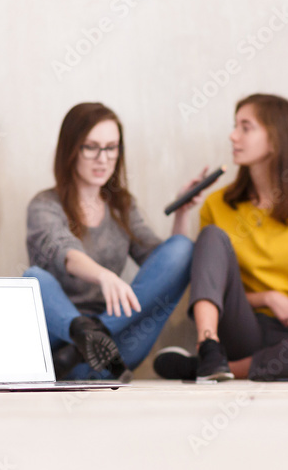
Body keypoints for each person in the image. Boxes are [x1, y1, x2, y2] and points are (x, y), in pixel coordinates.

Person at [154, 93, 288, 382]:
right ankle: (208, 347)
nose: (233, 136)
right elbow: (205, 280)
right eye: (235, 126)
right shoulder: (217, 204)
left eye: (246, 127)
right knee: (211, 236)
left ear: (276, 138)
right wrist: (269, 297)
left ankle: (212, 368)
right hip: (243, 326)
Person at [24, 102, 197, 381]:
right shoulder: (44, 205)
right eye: (91, 147)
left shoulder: (122, 206)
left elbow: (163, 263)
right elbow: (64, 252)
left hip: (116, 341)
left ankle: (88, 347)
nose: (102, 158)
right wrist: (103, 275)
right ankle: (83, 346)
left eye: (111, 147)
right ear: (71, 149)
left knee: (184, 249)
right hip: (56, 338)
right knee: (32, 278)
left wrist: (181, 214)